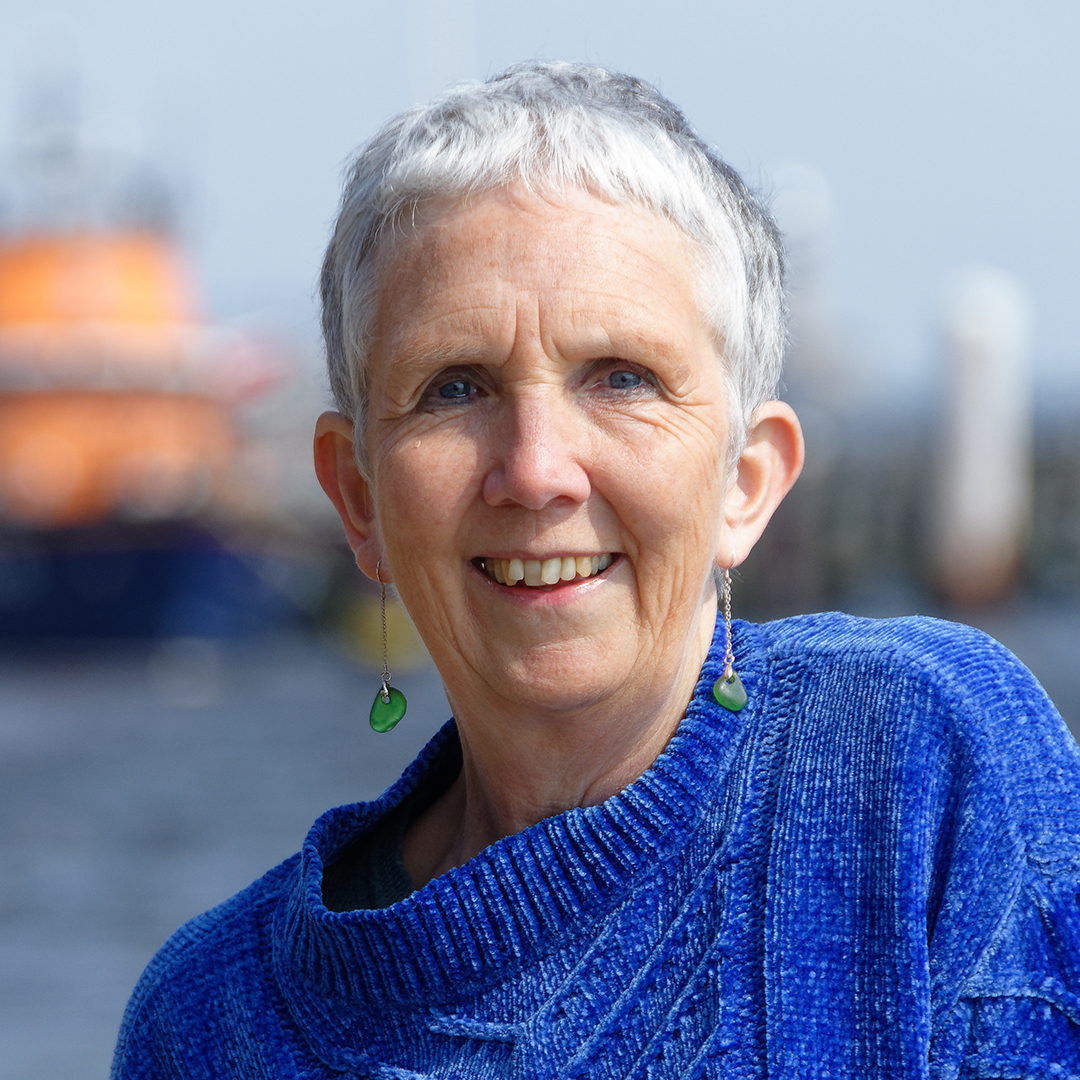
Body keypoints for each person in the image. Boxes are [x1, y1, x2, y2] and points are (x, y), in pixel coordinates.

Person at [112, 62, 1080, 1077]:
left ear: (746, 483)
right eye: (454, 388)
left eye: (622, 378)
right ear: (358, 498)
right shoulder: (211, 1020)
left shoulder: (920, 768)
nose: (535, 470)